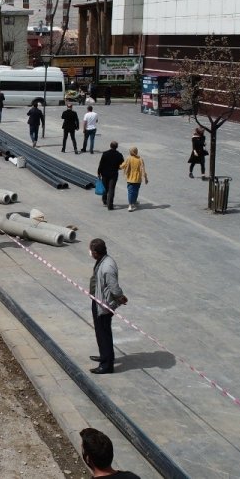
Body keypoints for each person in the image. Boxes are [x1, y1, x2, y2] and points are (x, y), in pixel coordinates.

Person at [87, 238, 128, 375]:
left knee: (104, 334)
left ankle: (107, 365)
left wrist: (120, 297)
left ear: (97, 253)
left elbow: (114, 288)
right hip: (97, 300)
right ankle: (104, 356)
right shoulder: (102, 261)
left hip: (104, 305)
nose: (90, 253)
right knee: (100, 332)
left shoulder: (107, 267)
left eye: (91, 251)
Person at [120, 147, 148, 212]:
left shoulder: (129, 158)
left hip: (130, 178)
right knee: (136, 191)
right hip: (138, 179)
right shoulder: (140, 159)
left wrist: (118, 166)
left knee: (130, 192)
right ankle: (134, 202)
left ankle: (130, 205)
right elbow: (143, 170)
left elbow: (122, 166)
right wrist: (146, 178)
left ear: (131, 152)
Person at [97, 142, 124, 211]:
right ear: (117, 147)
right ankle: (110, 205)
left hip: (105, 174)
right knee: (111, 189)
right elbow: (122, 165)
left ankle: (104, 200)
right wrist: (118, 167)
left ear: (110, 146)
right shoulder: (119, 155)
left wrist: (99, 173)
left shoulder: (105, 154)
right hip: (113, 174)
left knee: (105, 187)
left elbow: (101, 164)